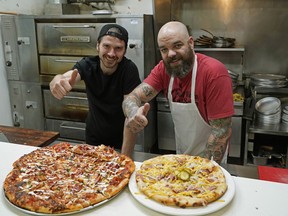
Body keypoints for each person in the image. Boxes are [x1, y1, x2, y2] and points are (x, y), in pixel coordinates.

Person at [122, 21, 234, 164]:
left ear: (191, 43)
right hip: (182, 156)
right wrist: (133, 113)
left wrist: (203, 170)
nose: (171, 54)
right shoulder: (163, 69)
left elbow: (221, 133)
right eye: (164, 49)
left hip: (210, 160)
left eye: (177, 45)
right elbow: (132, 98)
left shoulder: (214, 73)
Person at [50, 24, 141, 152]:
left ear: (125, 51)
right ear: (98, 45)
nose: (111, 53)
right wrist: (56, 80)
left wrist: (125, 155)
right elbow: (64, 78)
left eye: (118, 48)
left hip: (121, 140)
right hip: (93, 138)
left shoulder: (129, 70)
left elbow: (129, 110)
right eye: (106, 46)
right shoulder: (87, 65)